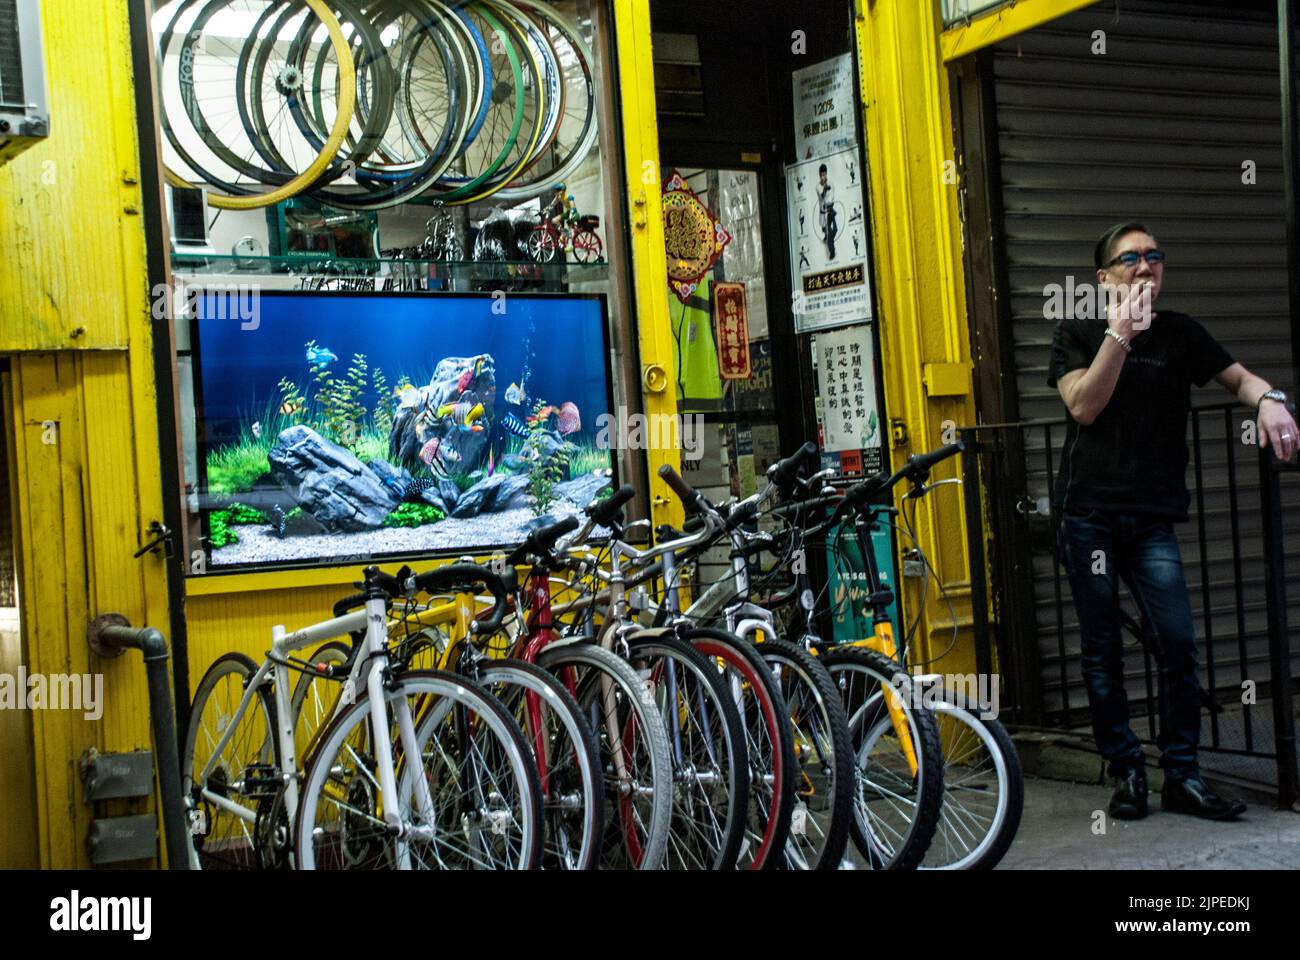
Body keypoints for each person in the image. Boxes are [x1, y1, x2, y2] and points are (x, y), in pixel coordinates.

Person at [1047, 222, 1299, 821]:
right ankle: (1128, 771)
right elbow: (1083, 405)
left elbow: (1239, 378)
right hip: (1088, 516)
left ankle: (1181, 775)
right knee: (1103, 648)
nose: (1145, 266)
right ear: (1103, 276)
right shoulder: (1076, 331)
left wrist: (1270, 401)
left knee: (1179, 643)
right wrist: (1119, 336)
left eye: (1154, 257)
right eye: (1130, 258)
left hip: (1152, 518)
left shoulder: (1181, 332)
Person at [816, 163, 837, 260]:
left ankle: (831, 247)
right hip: (823, 212)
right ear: (819, 175)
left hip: (830, 211)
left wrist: (831, 205)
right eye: (822, 175)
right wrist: (824, 188)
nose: (823, 176)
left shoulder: (831, 183)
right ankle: (828, 241)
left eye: (825, 174)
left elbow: (832, 196)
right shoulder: (818, 187)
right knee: (825, 230)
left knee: (832, 231)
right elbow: (822, 196)